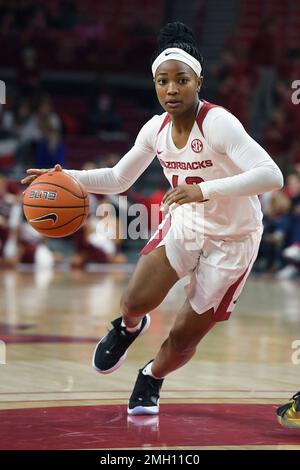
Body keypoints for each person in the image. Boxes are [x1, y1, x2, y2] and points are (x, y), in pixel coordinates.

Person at [21, 22, 284, 416]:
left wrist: (204, 189)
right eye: (163, 81)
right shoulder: (153, 129)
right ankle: (128, 327)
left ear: (199, 81)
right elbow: (117, 178)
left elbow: (272, 176)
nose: (172, 89)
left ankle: (152, 377)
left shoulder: (218, 123)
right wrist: (64, 177)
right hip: (186, 224)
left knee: (182, 339)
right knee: (134, 301)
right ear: (155, 85)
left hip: (234, 240)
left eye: (181, 80)